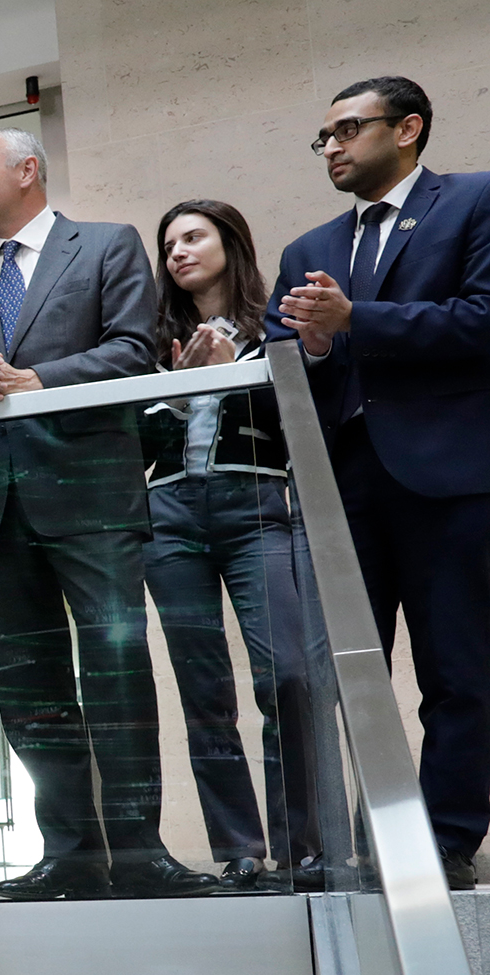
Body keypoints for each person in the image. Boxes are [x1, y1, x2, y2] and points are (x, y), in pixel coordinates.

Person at [0, 128, 213, 900]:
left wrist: (30, 379)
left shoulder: (108, 246)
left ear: (29, 170)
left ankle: (140, 849)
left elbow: (132, 351)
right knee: (28, 687)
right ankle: (70, 853)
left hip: (90, 494)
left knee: (115, 669)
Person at [273, 76, 490, 890]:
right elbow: (286, 357)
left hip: (449, 476)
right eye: (322, 137)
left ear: (408, 129)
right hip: (343, 487)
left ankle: (443, 842)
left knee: (459, 671)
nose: (330, 146)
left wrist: (356, 321)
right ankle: (354, 842)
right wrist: (319, 347)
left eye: (346, 130)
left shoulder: (473, 203)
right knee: (340, 676)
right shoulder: (307, 251)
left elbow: (482, 317)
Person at [148, 201, 319, 892]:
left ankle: (302, 843)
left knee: (288, 676)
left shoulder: (272, 323)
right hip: (169, 512)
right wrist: (186, 389)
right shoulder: (153, 339)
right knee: (202, 690)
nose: (179, 252)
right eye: (169, 245)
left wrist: (227, 372)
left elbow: (297, 418)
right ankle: (239, 849)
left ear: (231, 243)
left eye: (193, 237)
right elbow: (136, 437)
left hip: (255, 504)